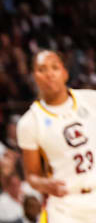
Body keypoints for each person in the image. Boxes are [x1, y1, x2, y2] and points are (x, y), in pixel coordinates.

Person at [17, 50, 96, 222]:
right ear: (34, 77)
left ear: (65, 73)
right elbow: (31, 175)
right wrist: (44, 184)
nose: (49, 74)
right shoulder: (29, 122)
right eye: (42, 69)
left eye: (55, 67)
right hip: (66, 206)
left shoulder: (91, 100)